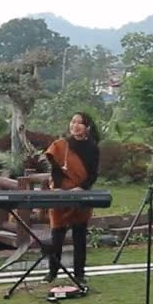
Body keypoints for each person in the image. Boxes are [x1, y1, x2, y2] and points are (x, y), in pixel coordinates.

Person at [42, 112, 101, 287]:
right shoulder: (61, 145)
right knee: (57, 235)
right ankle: (52, 272)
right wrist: (58, 188)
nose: (75, 125)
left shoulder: (93, 148)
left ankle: (79, 274)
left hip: (81, 195)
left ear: (87, 127)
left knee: (79, 236)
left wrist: (81, 188)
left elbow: (93, 174)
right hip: (61, 194)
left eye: (79, 123)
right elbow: (55, 169)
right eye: (73, 121)